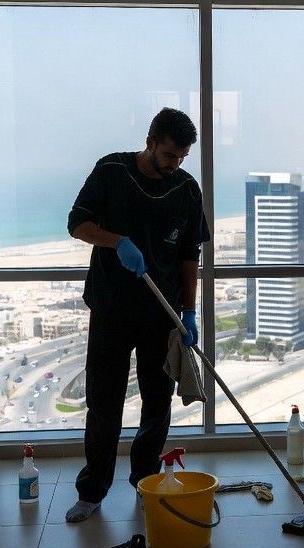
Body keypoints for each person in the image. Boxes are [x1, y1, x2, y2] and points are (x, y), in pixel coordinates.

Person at [64, 108, 210, 523]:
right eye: (169, 154)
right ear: (150, 142)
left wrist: (188, 311)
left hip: (160, 314)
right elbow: (77, 223)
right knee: (104, 403)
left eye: (182, 157)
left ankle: (145, 482)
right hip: (111, 308)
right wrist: (116, 241)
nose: (175, 164)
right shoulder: (111, 170)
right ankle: (92, 491)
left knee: (157, 403)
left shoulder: (186, 189)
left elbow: (189, 255)